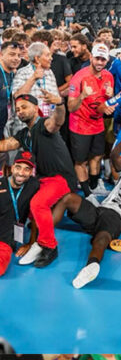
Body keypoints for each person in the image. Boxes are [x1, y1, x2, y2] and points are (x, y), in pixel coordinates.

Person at [55, 132, 121, 288]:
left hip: (116, 218)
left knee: (100, 239)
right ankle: (43, 238)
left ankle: (91, 266)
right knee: (69, 198)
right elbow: (114, 155)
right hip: (99, 210)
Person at [0, 93, 70, 269]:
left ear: (35, 107)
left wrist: (60, 103)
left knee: (38, 204)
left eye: (24, 107)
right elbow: (6, 145)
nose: (20, 112)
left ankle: (49, 246)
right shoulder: (24, 134)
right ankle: (35, 241)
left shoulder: (44, 124)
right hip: (42, 179)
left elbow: (57, 122)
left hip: (60, 177)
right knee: (29, 203)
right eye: (17, 110)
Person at [67, 43, 114, 197]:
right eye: (97, 58)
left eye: (103, 59)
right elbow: (71, 108)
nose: (100, 62)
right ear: (91, 57)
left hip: (98, 124)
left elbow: (103, 104)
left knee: (97, 156)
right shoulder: (79, 77)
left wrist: (109, 100)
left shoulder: (108, 76)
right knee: (81, 162)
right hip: (80, 125)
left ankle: (94, 185)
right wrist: (82, 96)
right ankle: (87, 193)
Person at [0, 149, 39, 277]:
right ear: (12, 168)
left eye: (26, 169)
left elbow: (36, 218)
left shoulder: (34, 186)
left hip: (5, 241)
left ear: (31, 172)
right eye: (18, 167)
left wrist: (31, 243)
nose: (21, 173)